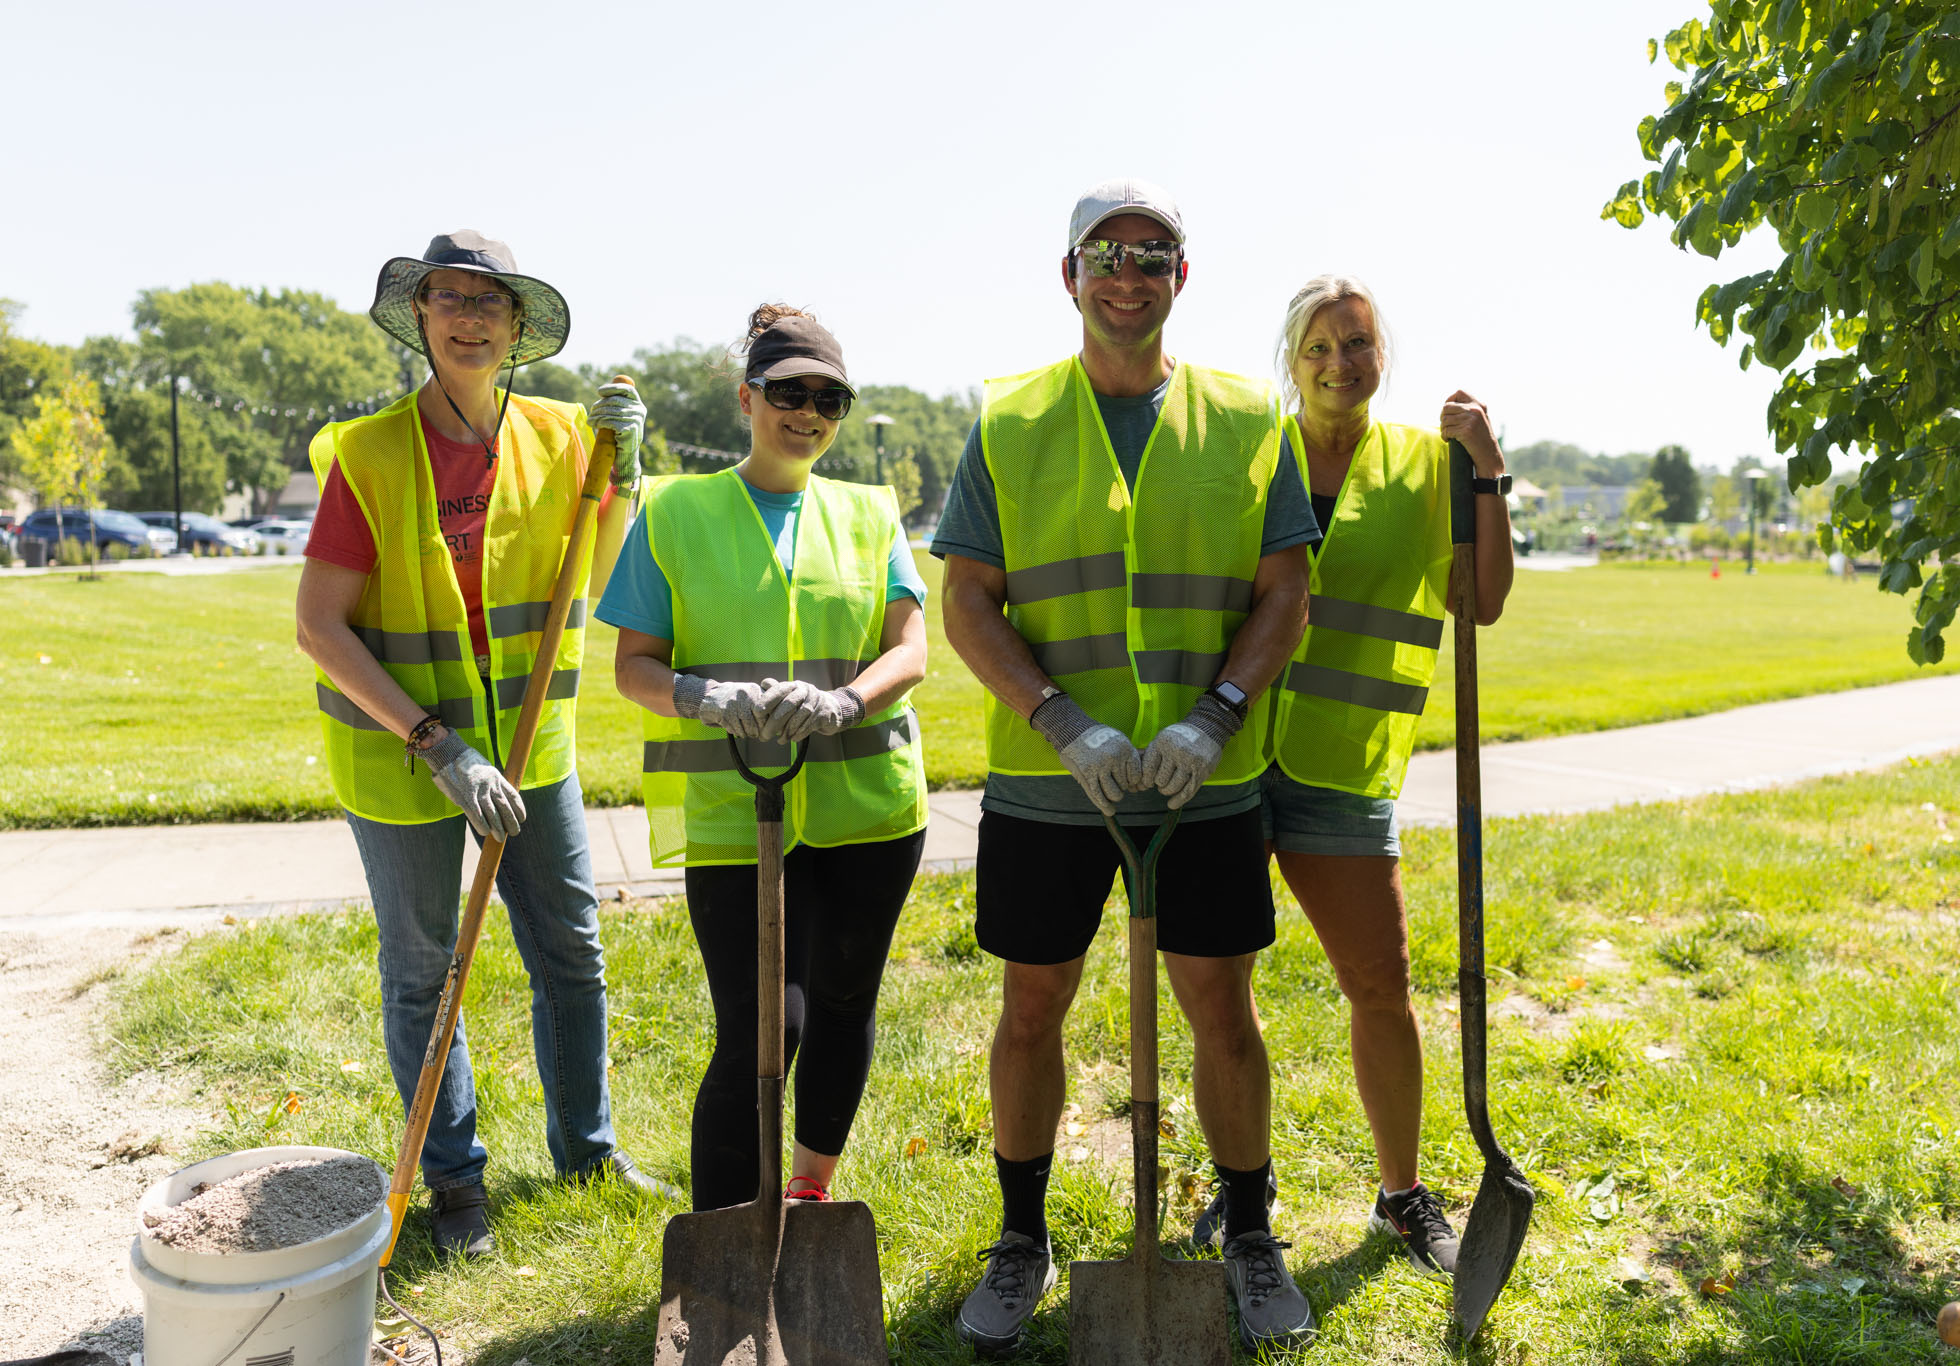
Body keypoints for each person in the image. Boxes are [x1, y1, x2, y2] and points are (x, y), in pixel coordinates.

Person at [934, 179, 1321, 1354]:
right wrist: (1061, 721)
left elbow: (1283, 592)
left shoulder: (1252, 418)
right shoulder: (1007, 421)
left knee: (1223, 1011)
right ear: (1068, 276)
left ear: (1180, 281)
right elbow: (965, 601)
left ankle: (1248, 1233)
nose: (1127, 274)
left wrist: (1212, 717)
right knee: (1029, 1006)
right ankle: (1019, 1235)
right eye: (1104, 254)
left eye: (1152, 257)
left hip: (1203, 780)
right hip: (1052, 783)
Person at [296, 231, 676, 1257]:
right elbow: (318, 625)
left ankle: (588, 1152)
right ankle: (456, 1183)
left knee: (570, 949)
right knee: (425, 969)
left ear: (515, 330)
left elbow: (592, 577)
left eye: (490, 302)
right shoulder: (370, 455)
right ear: (419, 316)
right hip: (400, 757)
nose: (469, 314)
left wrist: (622, 477)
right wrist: (436, 745)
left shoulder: (561, 437)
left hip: (528, 750)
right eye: (448, 297)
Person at [1193, 273, 1517, 1278]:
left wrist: (1487, 467)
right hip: (1232, 754)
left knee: (1378, 983)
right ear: (1291, 362)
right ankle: (1241, 1183)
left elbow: (1481, 601)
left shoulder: (1428, 468)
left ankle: (1400, 1194)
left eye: (1358, 344)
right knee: (1223, 990)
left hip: (1342, 763)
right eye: (1320, 347)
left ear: (1383, 354)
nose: (1341, 363)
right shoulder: (1248, 454)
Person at [603, 304, 929, 1212]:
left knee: (840, 1007)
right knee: (759, 1029)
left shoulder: (870, 513)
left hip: (869, 808)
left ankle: (809, 1197)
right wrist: (708, 698)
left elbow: (911, 648)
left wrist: (844, 702)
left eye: (830, 398)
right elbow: (632, 665)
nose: (809, 413)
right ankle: (725, 1236)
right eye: (789, 392)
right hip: (728, 813)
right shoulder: (675, 509)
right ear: (748, 397)